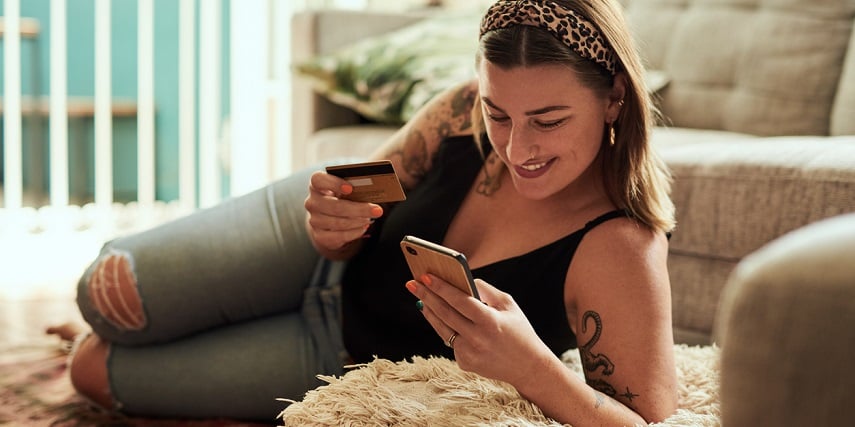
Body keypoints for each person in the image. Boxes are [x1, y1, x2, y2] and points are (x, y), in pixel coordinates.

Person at [51, 0, 678, 424]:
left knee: (93, 369)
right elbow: (360, 195)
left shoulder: (622, 244)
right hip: (308, 254)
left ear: (614, 98)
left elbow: (649, 421)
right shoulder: (459, 109)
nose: (516, 148)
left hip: (340, 353)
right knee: (105, 295)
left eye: (548, 121)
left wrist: (534, 369)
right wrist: (331, 224)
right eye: (500, 114)